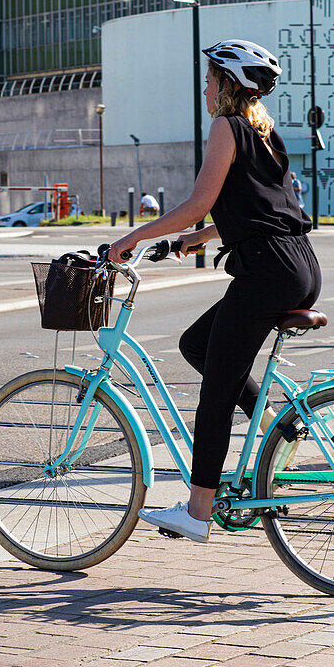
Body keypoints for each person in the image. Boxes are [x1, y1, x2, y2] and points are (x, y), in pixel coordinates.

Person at [108, 38, 322, 544]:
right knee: (197, 345)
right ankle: (277, 424)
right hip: (297, 264)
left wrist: (134, 236)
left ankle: (198, 511)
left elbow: (198, 201)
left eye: (209, 79)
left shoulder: (225, 127)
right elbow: (258, 209)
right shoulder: (265, 133)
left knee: (215, 396)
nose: (204, 88)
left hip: (267, 270)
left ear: (228, 84)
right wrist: (195, 240)